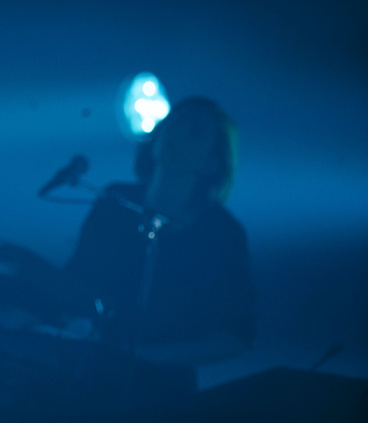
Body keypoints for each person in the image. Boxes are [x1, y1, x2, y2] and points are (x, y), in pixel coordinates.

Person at [60, 96, 255, 418]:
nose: (175, 130)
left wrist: (152, 357)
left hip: (163, 397)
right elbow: (75, 280)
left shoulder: (221, 233)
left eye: (194, 131)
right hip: (87, 377)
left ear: (212, 163)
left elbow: (236, 335)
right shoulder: (114, 201)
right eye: (173, 120)